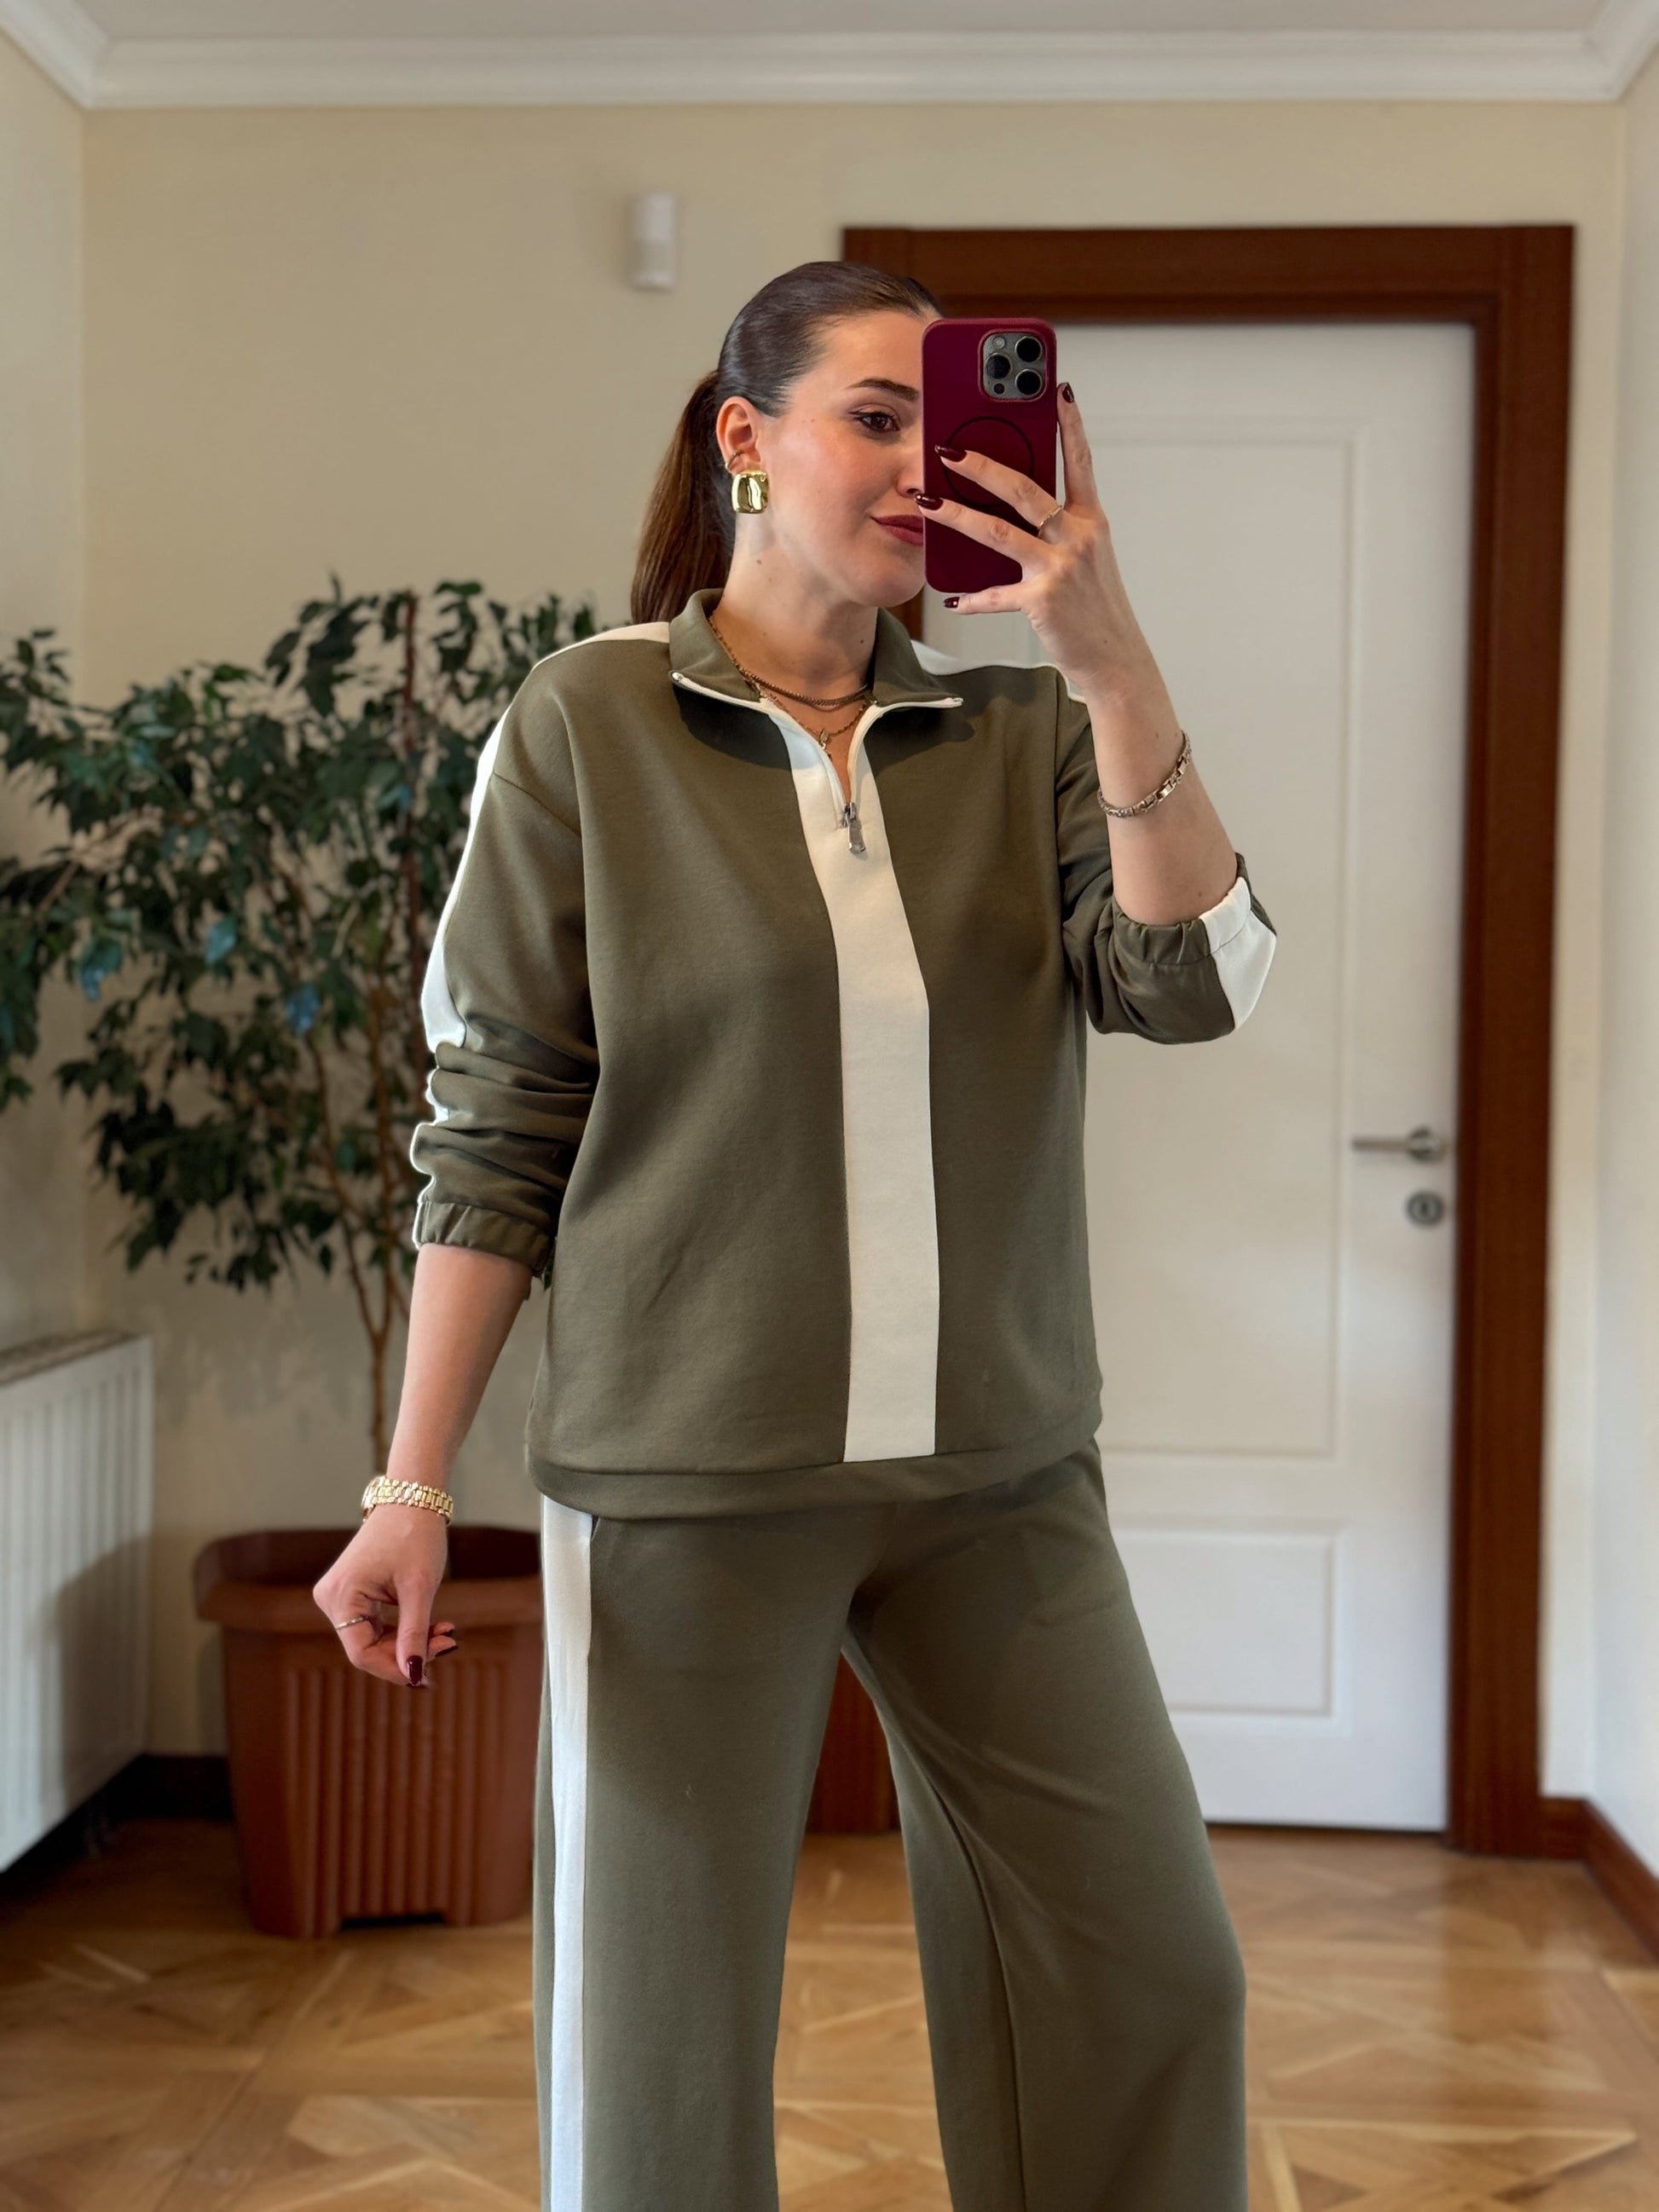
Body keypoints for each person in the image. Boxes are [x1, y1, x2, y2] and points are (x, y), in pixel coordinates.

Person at [312, 258, 1276, 2212]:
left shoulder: (1021, 731)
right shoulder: (588, 721)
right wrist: (408, 1480)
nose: (927, 462)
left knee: (1149, 1969)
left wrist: (1108, 659)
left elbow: (1192, 984)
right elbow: (496, 1119)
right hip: (687, 1484)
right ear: (746, 441)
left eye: (956, 418)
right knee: (659, 2053)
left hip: (998, 1478)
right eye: (876, 416)